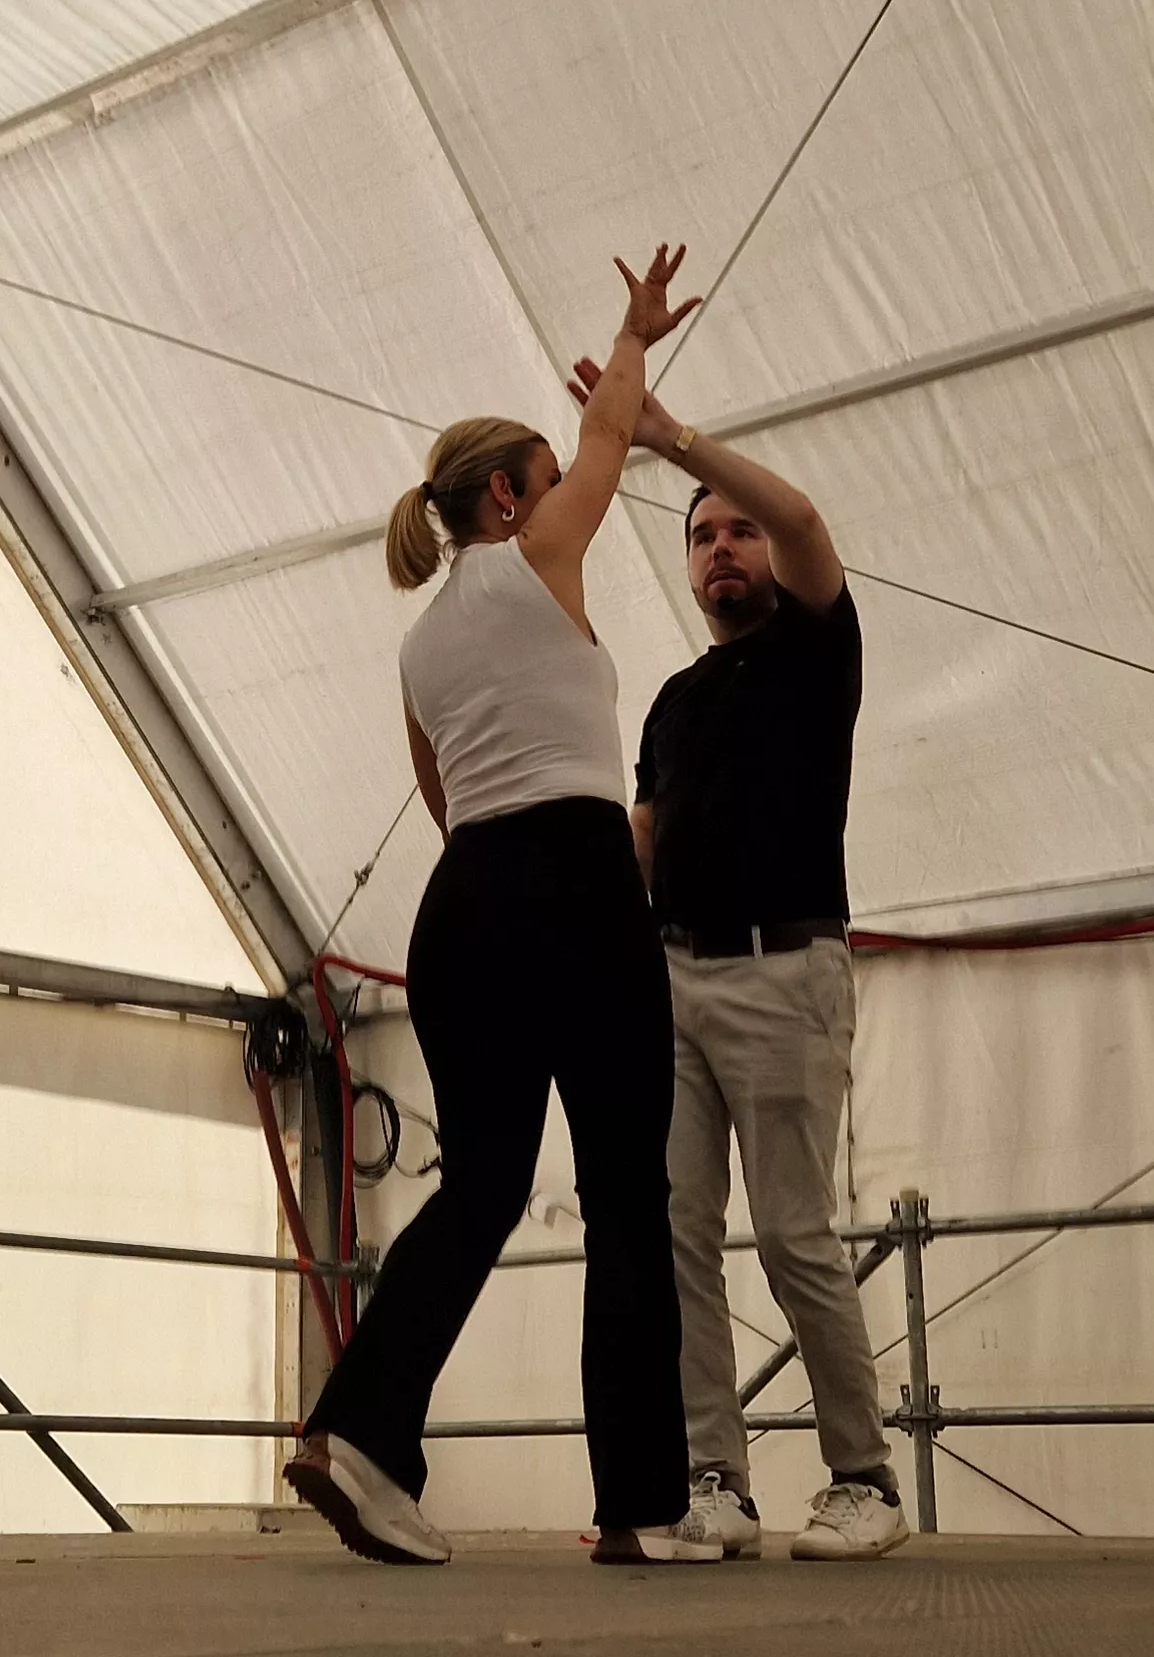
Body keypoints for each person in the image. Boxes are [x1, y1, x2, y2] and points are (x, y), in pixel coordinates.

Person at [285, 246, 722, 1568]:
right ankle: (639, 1507)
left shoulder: (420, 646)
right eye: (542, 484)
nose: (564, 495)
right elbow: (605, 433)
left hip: (464, 898)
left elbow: (443, 801)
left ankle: (355, 1431)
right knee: (626, 1195)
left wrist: (512, 887)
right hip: (572, 881)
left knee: (479, 1183)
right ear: (505, 497)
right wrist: (634, 332)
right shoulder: (536, 553)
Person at [571, 354, 910, 1562]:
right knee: (675, 1233)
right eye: (703, 538)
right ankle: (713, 1476)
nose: (724, 548)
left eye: (740, 532)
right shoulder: (672, 698)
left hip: (785, 971)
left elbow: (808, 520)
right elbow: (645, 840)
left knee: (792, 1233)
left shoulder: (821, 650)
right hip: (673, 979)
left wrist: (668, 440)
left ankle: (862, 1478)